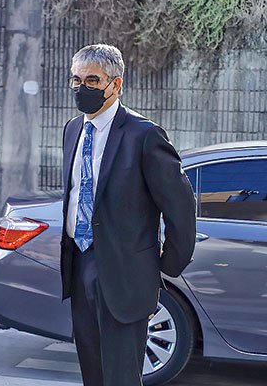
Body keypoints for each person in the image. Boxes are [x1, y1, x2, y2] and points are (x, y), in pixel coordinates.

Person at [60, 43, 196, 386]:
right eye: (76, 80)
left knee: (121, 377)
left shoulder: (144, 135)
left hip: (126, 277)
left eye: (93, 81)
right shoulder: (72, 130)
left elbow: (180, 208)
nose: (82, 88)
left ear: (116, 84)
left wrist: (164, 267)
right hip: (80, 266)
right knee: (92, 373)